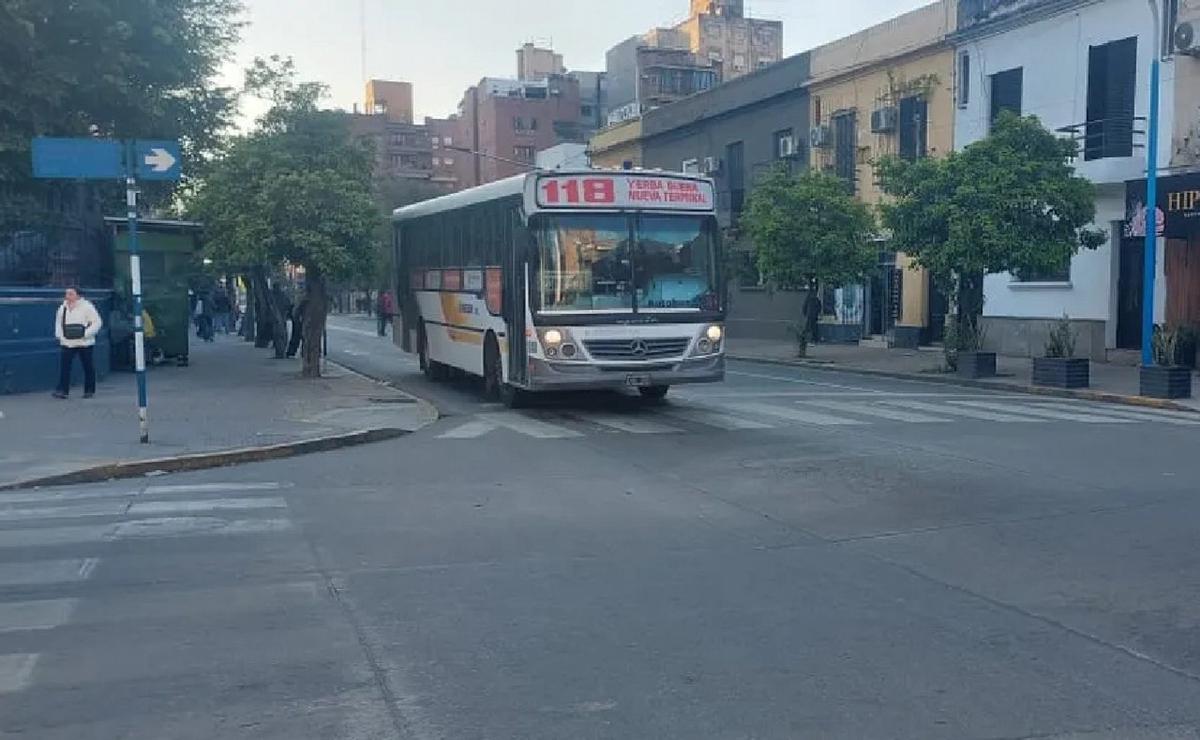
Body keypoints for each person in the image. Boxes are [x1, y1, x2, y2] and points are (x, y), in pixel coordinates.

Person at [53, 287, 103, 399]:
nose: (67, 296)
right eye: (66, 294)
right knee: (65, 367)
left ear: (78, 295)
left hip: (84, 342)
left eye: (70, 294)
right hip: (67, 342)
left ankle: (89, 390)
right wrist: (60, 336)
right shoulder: (62, 307)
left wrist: (85, 333)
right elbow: (58, 323)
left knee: (88, 366)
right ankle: (62, 390)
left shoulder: (87, 307)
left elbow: (97, 322)